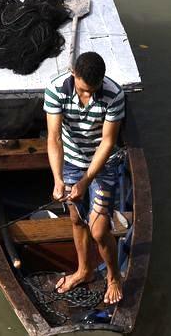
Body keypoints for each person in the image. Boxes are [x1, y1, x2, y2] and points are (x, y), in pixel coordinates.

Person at [43, 51, 126, 305]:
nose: (88, 95)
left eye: (93, 90)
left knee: (99, 230)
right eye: (82, 89)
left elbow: (108, 143)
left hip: (103, 163)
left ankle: (113, 277)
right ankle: (84, 270)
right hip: (71, 161)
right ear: (73, 75)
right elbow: (54, 138)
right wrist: (58, 179)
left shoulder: (114, 94)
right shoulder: (55, 90)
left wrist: (85, 182)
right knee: (77, 219)